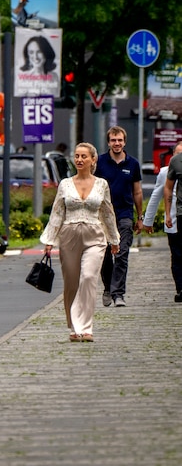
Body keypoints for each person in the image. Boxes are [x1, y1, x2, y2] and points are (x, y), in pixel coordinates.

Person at [41, 143, 120, 342]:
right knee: (71, 283)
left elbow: (108, 213)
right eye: (76, 156)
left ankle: (86, 327)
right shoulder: (65, 184)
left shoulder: (102, 184)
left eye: (84, 156)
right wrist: (49, 239)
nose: (79, 160)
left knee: (88, 277)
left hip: (95, 235)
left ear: (93, 160)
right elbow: (57, 212)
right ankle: (73, 327)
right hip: (69, 236)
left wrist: (114, 239)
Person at [95, 126, 143, 307]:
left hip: (124, 214)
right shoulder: (99, 162)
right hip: (102, 216)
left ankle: (118, 294)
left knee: (122, 253)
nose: (117, 143)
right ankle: (108, 287)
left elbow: (137, 192)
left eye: (120, 140)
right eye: (113, 140)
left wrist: (140, 217)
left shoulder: (133, 164)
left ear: (124, 142)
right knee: (105, 254)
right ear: (108, 142)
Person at [144, 141, 182, 302]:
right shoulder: (165, 172)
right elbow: (156, 195)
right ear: (173, 155)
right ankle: (180, 287)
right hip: (173, 220)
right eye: (177, 153)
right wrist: (148, 220)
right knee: (177, 255)